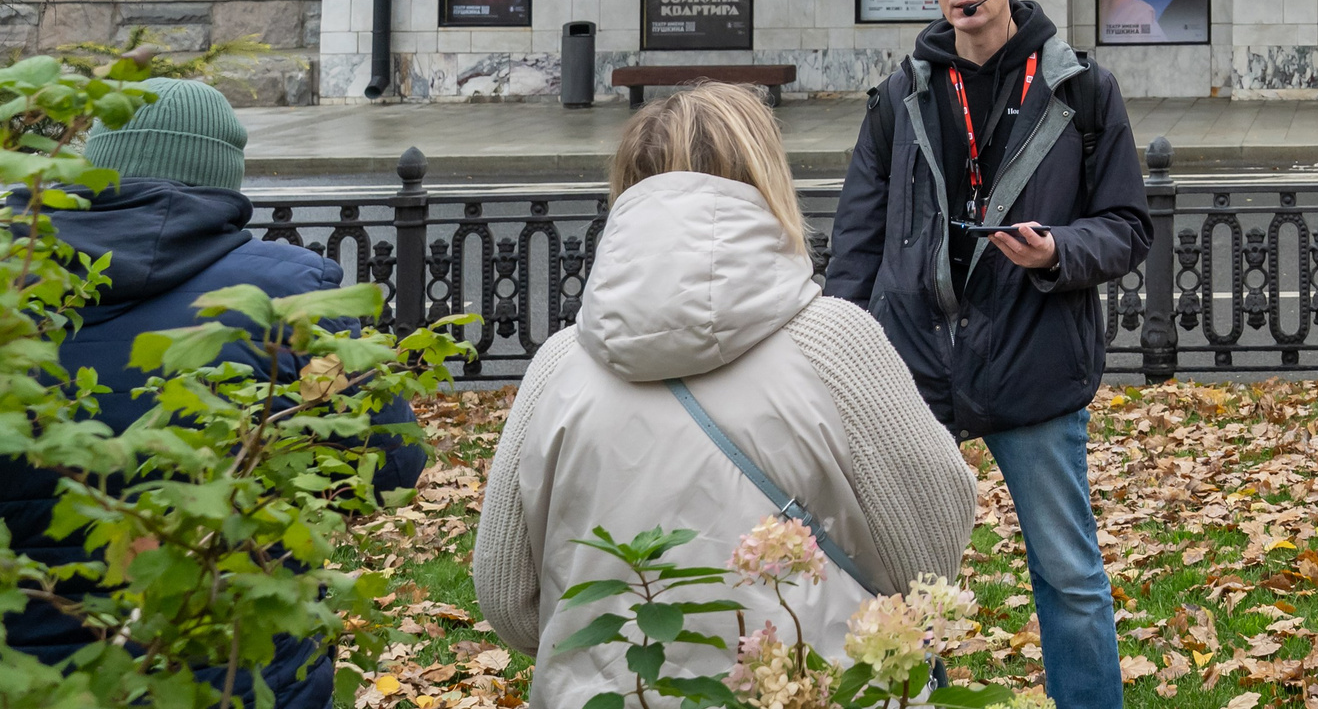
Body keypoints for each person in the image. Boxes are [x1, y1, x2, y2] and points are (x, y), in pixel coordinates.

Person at [475, 84, 976, 709]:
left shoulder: (558, 368)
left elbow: (506, 598)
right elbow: (929, 557)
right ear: (766, 179)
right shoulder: (836, 347)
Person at [0, 79, 429, 709]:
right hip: (239, 669)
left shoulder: (15, 284)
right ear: (224, 179)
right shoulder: (289, 298)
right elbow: (391, 469)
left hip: (34, 674)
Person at [827, 0, 1150, 709]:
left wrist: (1058, 252)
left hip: (1034, 360)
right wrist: (836, 350)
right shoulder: (899, 94)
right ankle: (916, 698)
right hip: (914, 368)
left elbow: (1127, 226)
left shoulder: (1082, 91)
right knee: (904, 572)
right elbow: (858, 239)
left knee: (1068, 573)